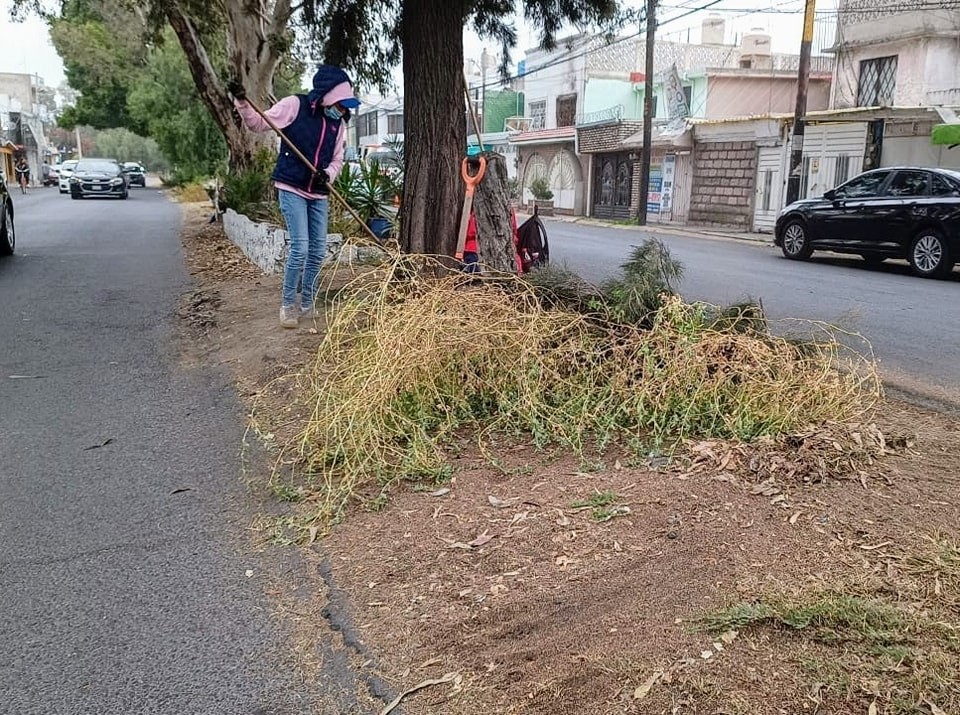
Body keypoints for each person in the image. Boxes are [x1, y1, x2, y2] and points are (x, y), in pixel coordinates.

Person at [228, 65, 359, 328]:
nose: (343, 110)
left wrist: (328, 174)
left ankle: (308, 305)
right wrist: (242, 102)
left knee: (317, 251)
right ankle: (288, 306)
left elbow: (337, 160)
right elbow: (256, 124)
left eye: (346, 106)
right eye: (340, 104)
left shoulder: (338, 126)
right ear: (326, 95)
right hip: (291, 187)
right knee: (300, 248)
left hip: (318, 192)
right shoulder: (294, 106)